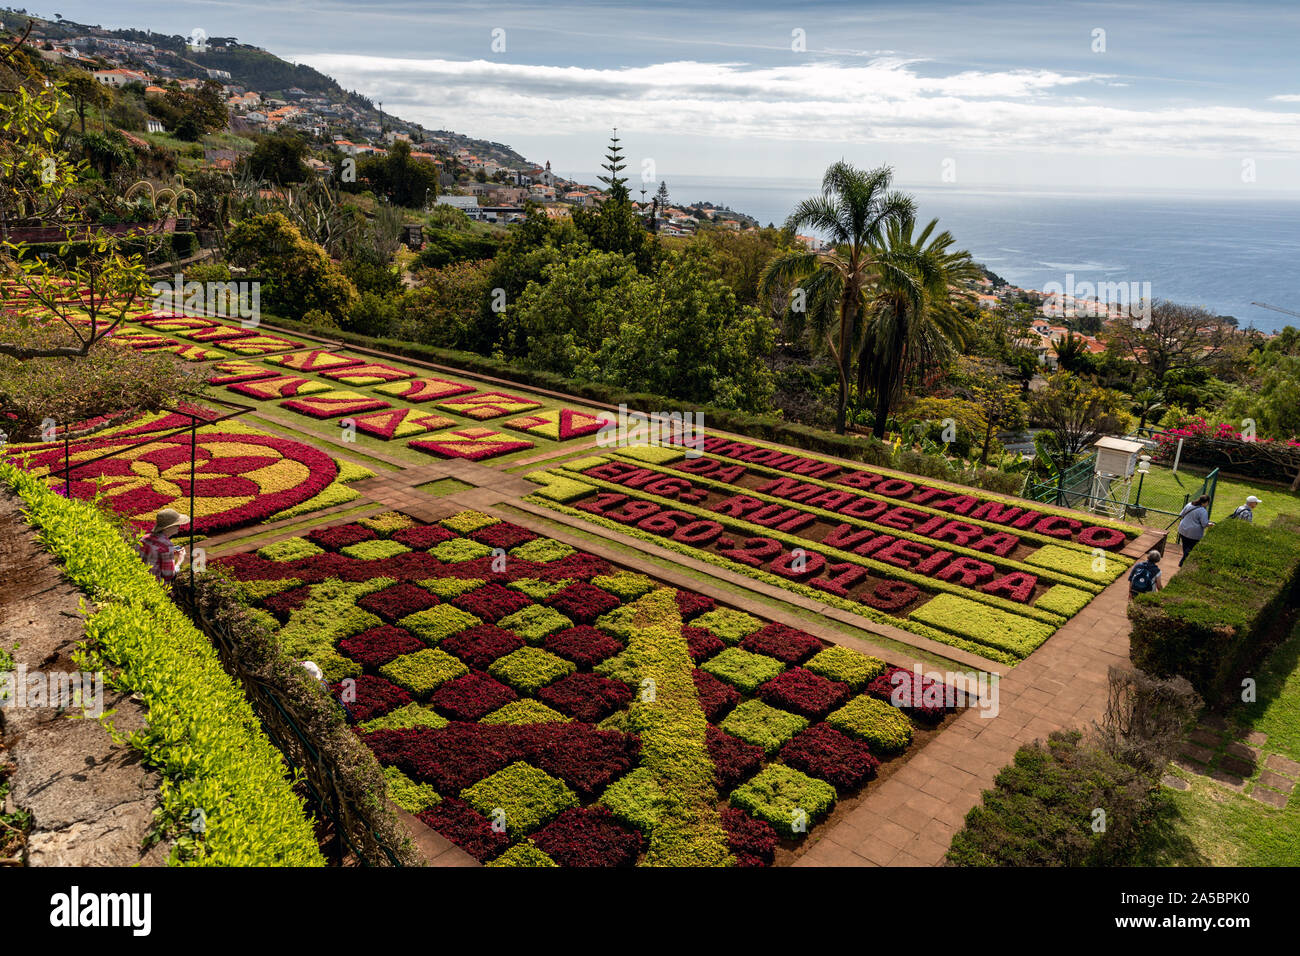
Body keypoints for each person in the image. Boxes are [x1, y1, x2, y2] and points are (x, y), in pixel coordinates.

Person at [139, 508, 189, 586]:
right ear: (167, 528)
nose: (179, 526)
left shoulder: (144, 538)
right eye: (177, 525)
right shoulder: (167, 546)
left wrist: (169, 554)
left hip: (139, 581)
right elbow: (168, 575)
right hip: (154, 587)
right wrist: (179, 560)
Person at [1176, 494, 1212, 567]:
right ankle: (1182, 563)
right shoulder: (1203, 511)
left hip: (1183, 529)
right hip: (1194, 534)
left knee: (1185, 547)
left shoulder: (1189, 504)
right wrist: (1210, 524)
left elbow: (1181, 514)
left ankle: (1184, 562)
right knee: (1190, 549)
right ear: (1206, 502)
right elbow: (1204, 524)